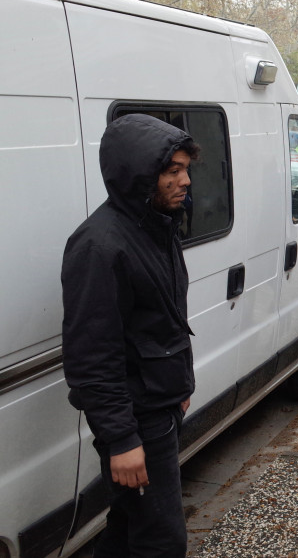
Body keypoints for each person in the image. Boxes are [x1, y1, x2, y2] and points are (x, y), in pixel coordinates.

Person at [61, 114, 201, 558]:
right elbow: (91, 356)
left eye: (186, 169)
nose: (185, 181)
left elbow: (167, 321)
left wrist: (182, 385)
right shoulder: (100, 246)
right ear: (140, 174)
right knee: (161, 541)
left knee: (127, 528)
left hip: (161, 406)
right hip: (138, 418)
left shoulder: (158, 227)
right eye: (172, 171)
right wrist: (122, 440)